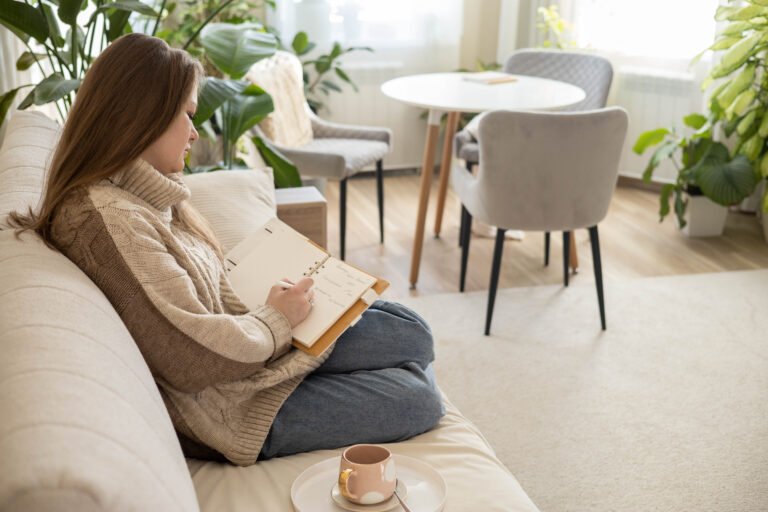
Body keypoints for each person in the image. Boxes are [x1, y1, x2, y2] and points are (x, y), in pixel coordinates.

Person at [10, 33, 443, 465]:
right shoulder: (105, 221)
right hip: (233, 407)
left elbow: (200, 297)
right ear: (145, 115)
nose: (195, 132)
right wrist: (277, 320)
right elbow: (190, 357)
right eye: (188, 114)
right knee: (418, 396)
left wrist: (270, 305)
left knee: (410, 332)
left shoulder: (143, 195)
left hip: (251, 352)